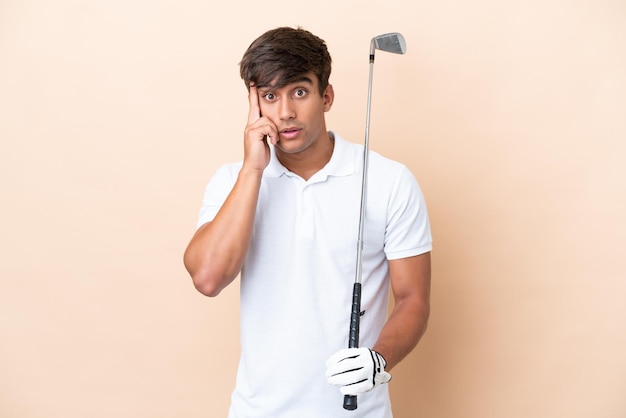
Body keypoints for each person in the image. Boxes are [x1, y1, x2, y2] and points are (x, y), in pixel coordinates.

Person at [183, 26, 432, 417]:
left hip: (357, 412)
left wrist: (378, 361)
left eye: (299, 92)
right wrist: (253, 170)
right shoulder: (232, 180)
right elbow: (208, 278)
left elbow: (413, 299)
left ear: (326, 96)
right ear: (255, 105)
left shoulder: (389, 180)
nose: (285, 113)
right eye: (269, 96)